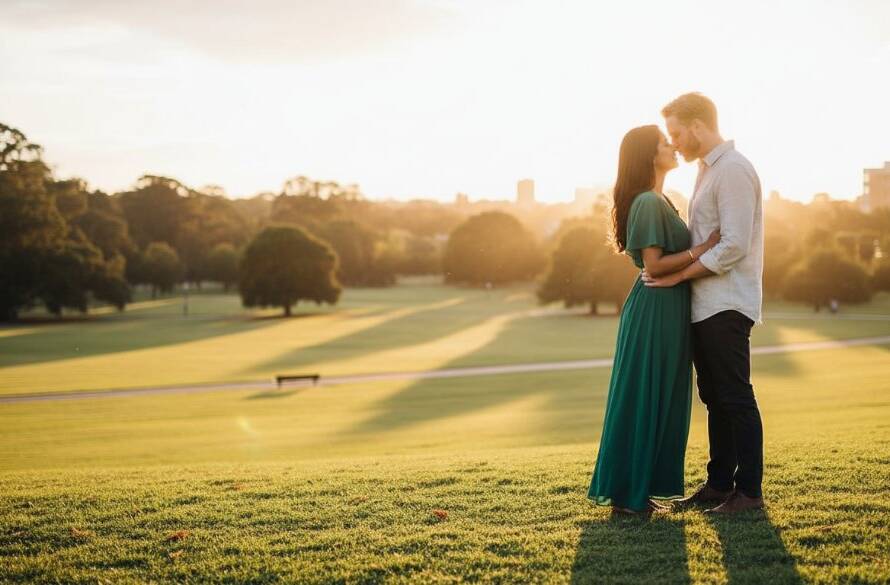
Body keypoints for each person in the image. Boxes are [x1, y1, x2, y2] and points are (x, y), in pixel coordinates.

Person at [587, 124, 720, 515]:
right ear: (650, 155)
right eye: (665, 143)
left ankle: (637, 492)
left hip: (668, 308)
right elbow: (656, 266)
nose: (673, 146)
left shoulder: (660, 199)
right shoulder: (647, 202)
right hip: (654, 309)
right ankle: (629, 496)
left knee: (658, 396)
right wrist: (704, 249)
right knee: (645, 395)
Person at [643, 92, 765, 514]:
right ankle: (718, 486)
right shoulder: (707, 171)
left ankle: (748, 493)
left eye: (676, 133)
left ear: (697, 126)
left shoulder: (732, 170)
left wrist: (676, 275)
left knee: (735, 396)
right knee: (714, 397)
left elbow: (733, 246)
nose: (673, 142)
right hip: (705, 304)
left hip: (727, 303)